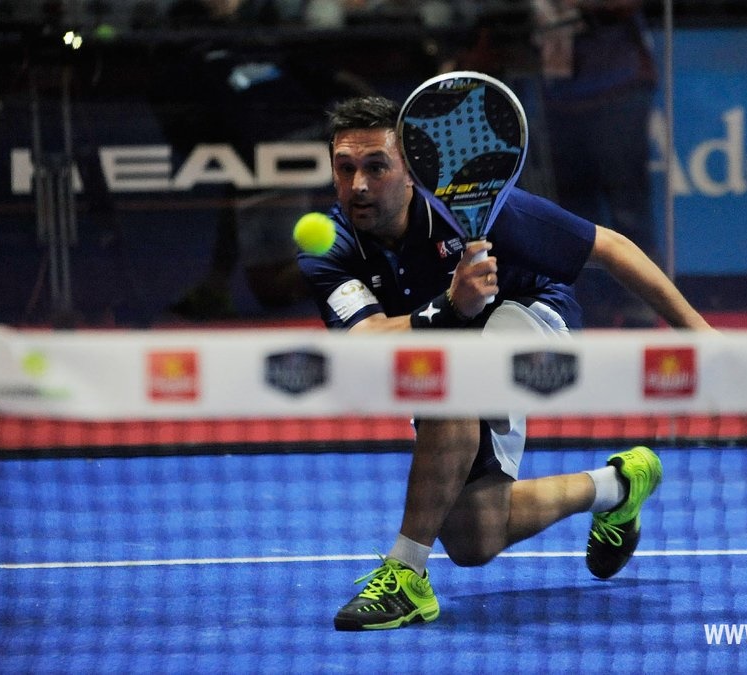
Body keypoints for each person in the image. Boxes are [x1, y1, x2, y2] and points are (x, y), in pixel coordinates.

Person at [297, 94, 712, 631]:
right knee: (474, 537)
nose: (358, 185)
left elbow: (608, 247)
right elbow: (368, 337)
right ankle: (619, 485)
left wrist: (702, 338)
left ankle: (405, 575)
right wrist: (450, 306)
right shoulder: (327, 243)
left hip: (536, 319)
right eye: (345, 168)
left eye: (376, 167)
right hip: (450, 341)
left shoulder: (481, 208)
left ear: (409, 170)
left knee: (451, 376)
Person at [532, 0, 662, 326]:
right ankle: (588, 303)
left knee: (628, 205)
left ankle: (642, 304)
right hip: (558, 95)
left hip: (617, 88)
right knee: (574, 214)